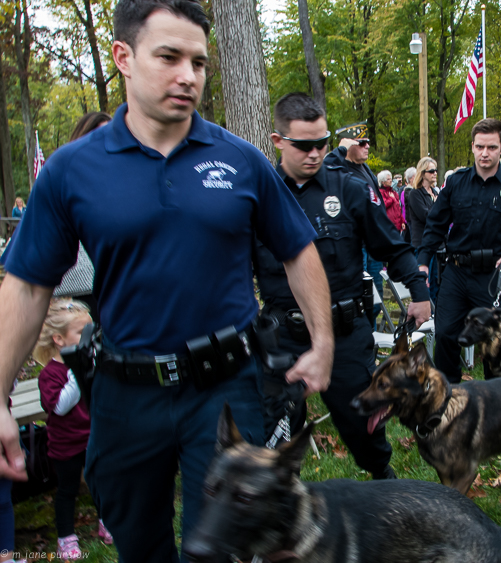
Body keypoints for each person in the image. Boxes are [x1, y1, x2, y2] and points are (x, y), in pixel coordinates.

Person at [0, 3, 334, 562]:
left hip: (226, 389)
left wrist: (323, 342)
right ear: (124, 58)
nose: (189, 75)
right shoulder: (71, 170)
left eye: (199, 62)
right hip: (126, 392)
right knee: (136, 541)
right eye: (170, 57)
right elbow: (28, 285)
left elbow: (298, 249)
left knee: (226, 546)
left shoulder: (240, 159)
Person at [255, 93, 430, 479]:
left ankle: (386, 490)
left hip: (345, 334)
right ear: (278, 140)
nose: (315, 153)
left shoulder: (349, 189)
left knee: (363, 432)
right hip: (284, 336)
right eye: (304, 145)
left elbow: (390, 245)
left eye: (322, 143)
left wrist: (419, 293)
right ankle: (283, 515)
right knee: (277, 440)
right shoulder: (259, 195)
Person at [417, 118, 501, 384]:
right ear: (472, 146)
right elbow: (435, 225)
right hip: (457, 273)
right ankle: (447, 394)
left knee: (498, 339)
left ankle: (497, 396)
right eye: (480, 146)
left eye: (492, 147)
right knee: (446, 333)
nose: (485, 153)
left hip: (494, 276)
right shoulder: (456, 184)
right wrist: (423, 261)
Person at [33, 299, 113, 559]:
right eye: (81, 333)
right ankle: (66, 537)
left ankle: (106, 521)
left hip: (91, 438)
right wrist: (77, 374)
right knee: (67, 491)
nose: (88, 338)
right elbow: (59, 407)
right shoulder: (51, 374)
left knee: (99, 483)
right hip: (66, 445)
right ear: (58, 339)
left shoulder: (88, 362)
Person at [52, 112, 114, 319]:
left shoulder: (127, 190)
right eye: (97, 137)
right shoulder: (63, 185)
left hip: (112, 296)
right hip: (69, 298)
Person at [323, 123, 385, 318]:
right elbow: (323, 168)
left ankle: (372, 337)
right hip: (356, 245)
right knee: (362, 297)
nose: (367, 146)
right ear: (348, 144)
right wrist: (339, 150)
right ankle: (366, 334)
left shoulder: (365, 169)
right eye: (362, 142)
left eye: (368, 142)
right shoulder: (338, 169)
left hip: (373, 242)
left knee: (377, 297)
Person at [406, 157, 440, 302]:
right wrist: (439, 209)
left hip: (437, 245)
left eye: (436, 170)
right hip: (422, 245)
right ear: (423, 173)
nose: (435, 173)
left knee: (436, 285)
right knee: (424, 285)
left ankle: (434, 316)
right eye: (431, 171)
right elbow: (426, 216)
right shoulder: (415, 194)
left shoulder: (435, 193)